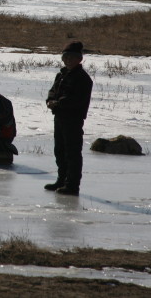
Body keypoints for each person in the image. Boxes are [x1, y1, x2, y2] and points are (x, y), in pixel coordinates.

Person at [44, 41, 93, 196]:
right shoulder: (62, 75)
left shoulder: (83, 78)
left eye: (72, 57)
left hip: (73, 119)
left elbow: (75, 100)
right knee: (60, 150)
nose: (69, 60)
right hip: (59, 117)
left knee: (72, 153)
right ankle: (62, 180)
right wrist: (50, 101)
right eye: (66, 57)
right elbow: (53, 91)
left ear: (79, 59)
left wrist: (57, 103)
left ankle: (72, 185)